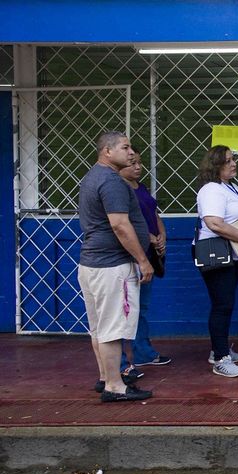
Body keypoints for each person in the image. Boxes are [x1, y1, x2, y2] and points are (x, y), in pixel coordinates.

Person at [77, 131, 153, 402]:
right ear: (107, 151)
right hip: (112, 266)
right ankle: (114, 386)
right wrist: (143, 260)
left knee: (99, 327)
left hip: (92, 265)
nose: (131, 152)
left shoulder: (92, 177)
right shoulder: (111, 182)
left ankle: (105, 377)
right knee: (112, 329)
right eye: (125, 147)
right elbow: (120, 225)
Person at [196, 145, 238, 378]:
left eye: (233, 159)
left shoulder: (229, 187)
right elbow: (214, 223)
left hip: (231, 253)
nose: (234, 163)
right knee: (222, 304)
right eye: (228, 160)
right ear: (215, 165)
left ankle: (221, 348)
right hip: (216, 253)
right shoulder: (212, 190)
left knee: (225, 303)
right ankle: (220, 358)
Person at [117, 147, 171, 375]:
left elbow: (153, 213)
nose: (138, 167)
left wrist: (161, 234)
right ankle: (120, 361)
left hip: (150, 254)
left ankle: (142, 351)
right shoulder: (118, 190)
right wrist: (146, 237)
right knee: (125, 308)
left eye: (140, 163)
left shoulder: (141, 187)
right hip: (132, 255)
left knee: (142, 306)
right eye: (133, 163)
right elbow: (121, 223)